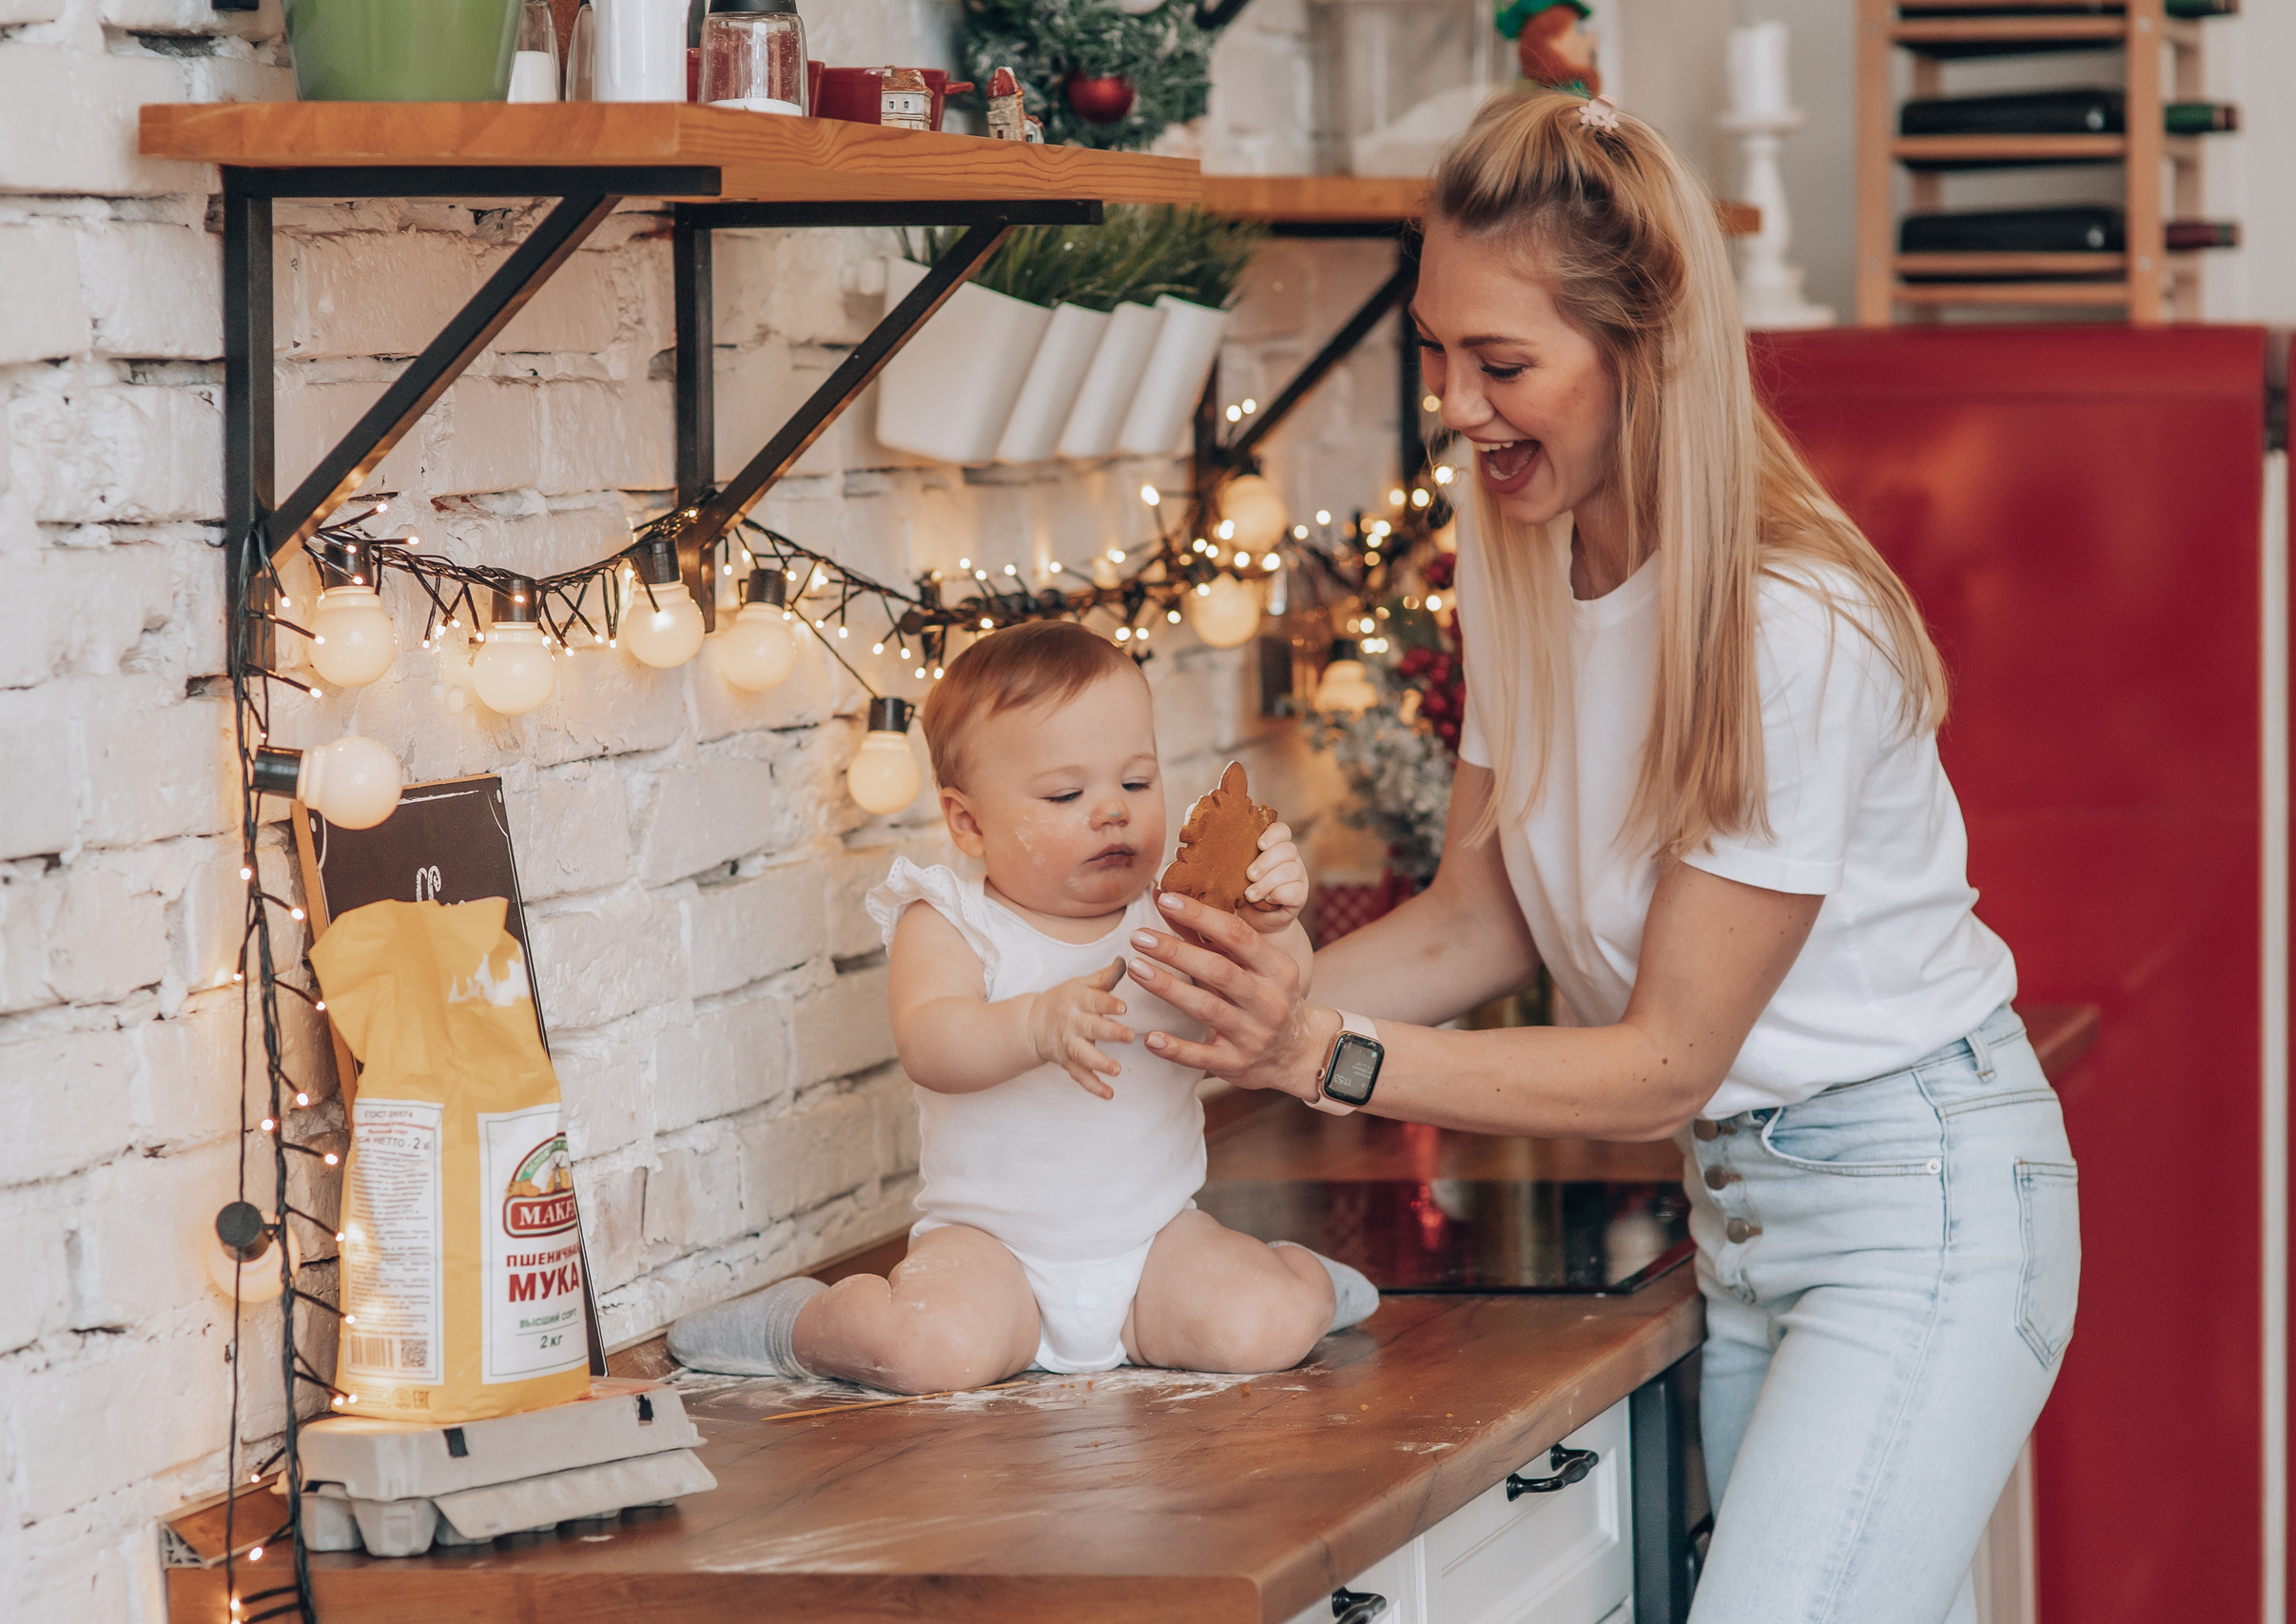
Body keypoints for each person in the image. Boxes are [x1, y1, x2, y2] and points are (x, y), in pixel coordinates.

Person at [1120, 91, 2079, 1624]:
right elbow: (1477, 915)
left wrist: (1321, 1051)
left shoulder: (1782, 626)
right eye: (1435, 351)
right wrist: (1205, 1015)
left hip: (1919, 1207)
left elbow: (1662, 1063)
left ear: (1649, 348)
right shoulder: (1524, 563)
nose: (1455, 404)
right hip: (1742, 1220)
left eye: (1502, 364)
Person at [668, 621, 1377, 1394]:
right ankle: (796, 1326)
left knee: (1259, 1326)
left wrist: (1275, 925)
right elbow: (930, 1041)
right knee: (928, 1350)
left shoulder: (1176, 914)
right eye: (1067, 794)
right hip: (991, 1250)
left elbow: (1279, 994)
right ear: (969, 822)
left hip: (1155, 1242)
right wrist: (1033, 1024)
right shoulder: (950, 921)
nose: (1112, 811)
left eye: (1137, 783)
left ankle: (1299, 1283)